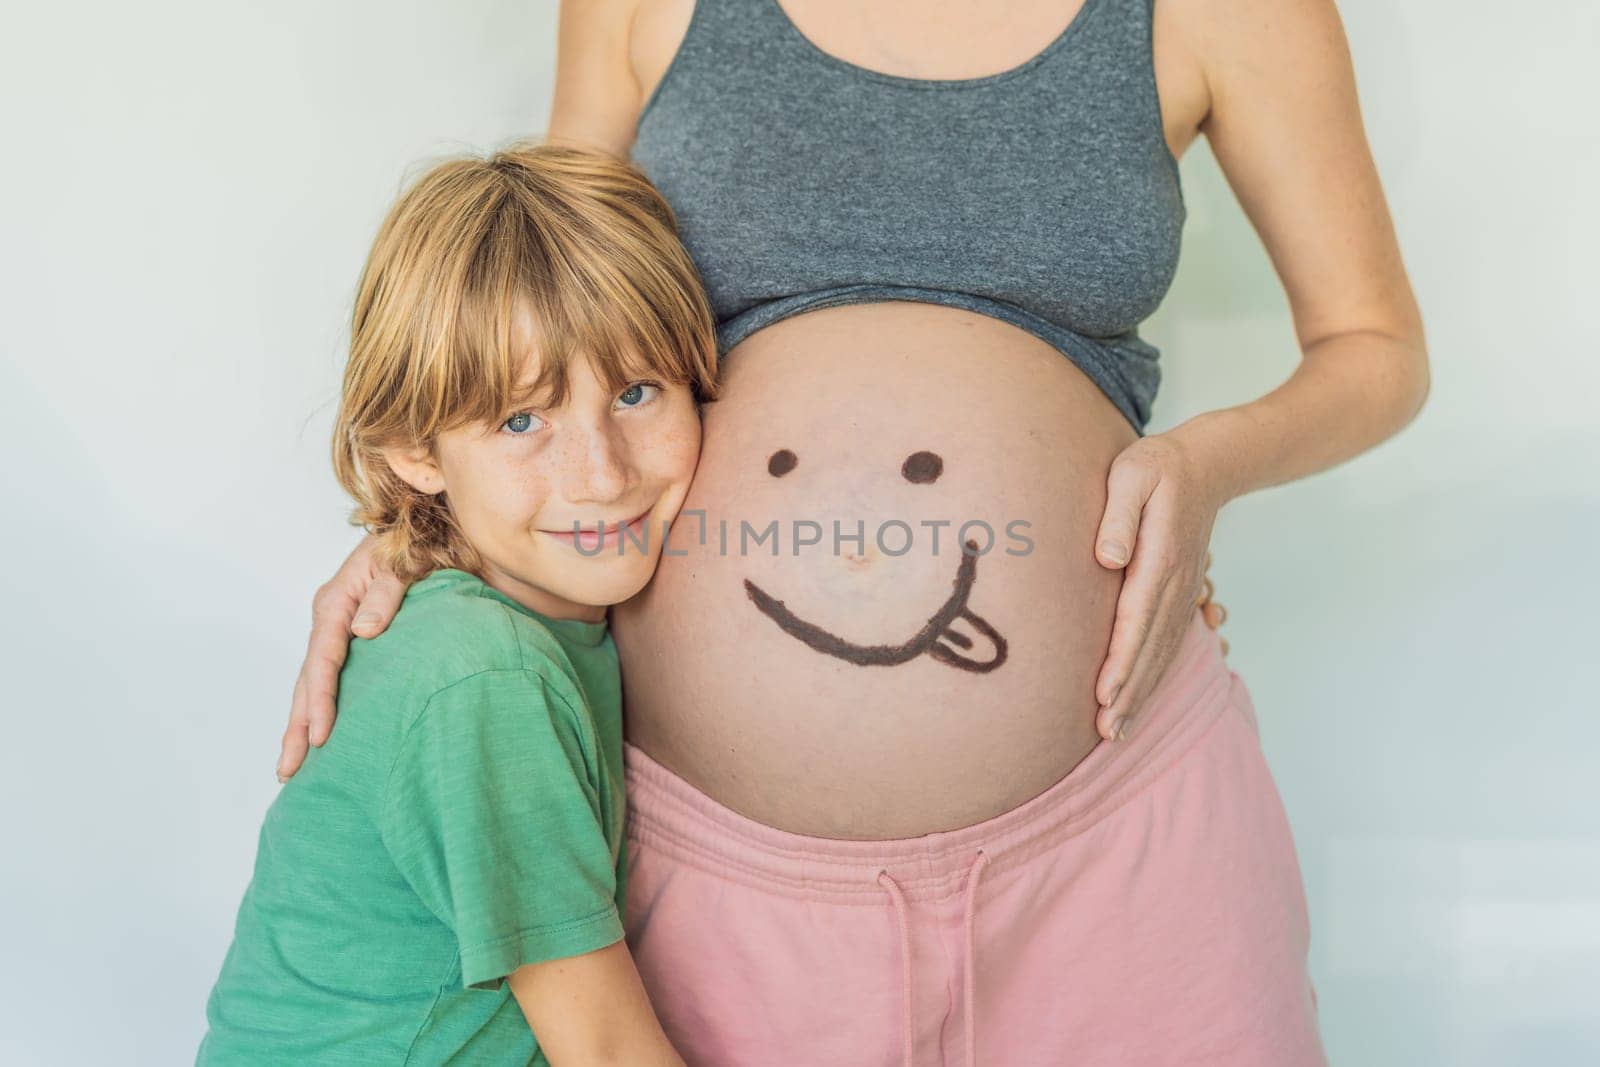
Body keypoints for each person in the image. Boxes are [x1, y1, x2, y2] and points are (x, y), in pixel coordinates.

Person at [278, 0, 1429, 1063]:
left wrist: (1204, 467)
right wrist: (418, 526)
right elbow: (546, 300)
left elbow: (1376, 348)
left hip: (1123, 829)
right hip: (719, 862)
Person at [201, 142, 716, 1065]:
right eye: (523, 421)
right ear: (415, 451)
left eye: (638, 392)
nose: (602, 474)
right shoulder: (481, 671)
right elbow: (604, 1047)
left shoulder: (529, 618)